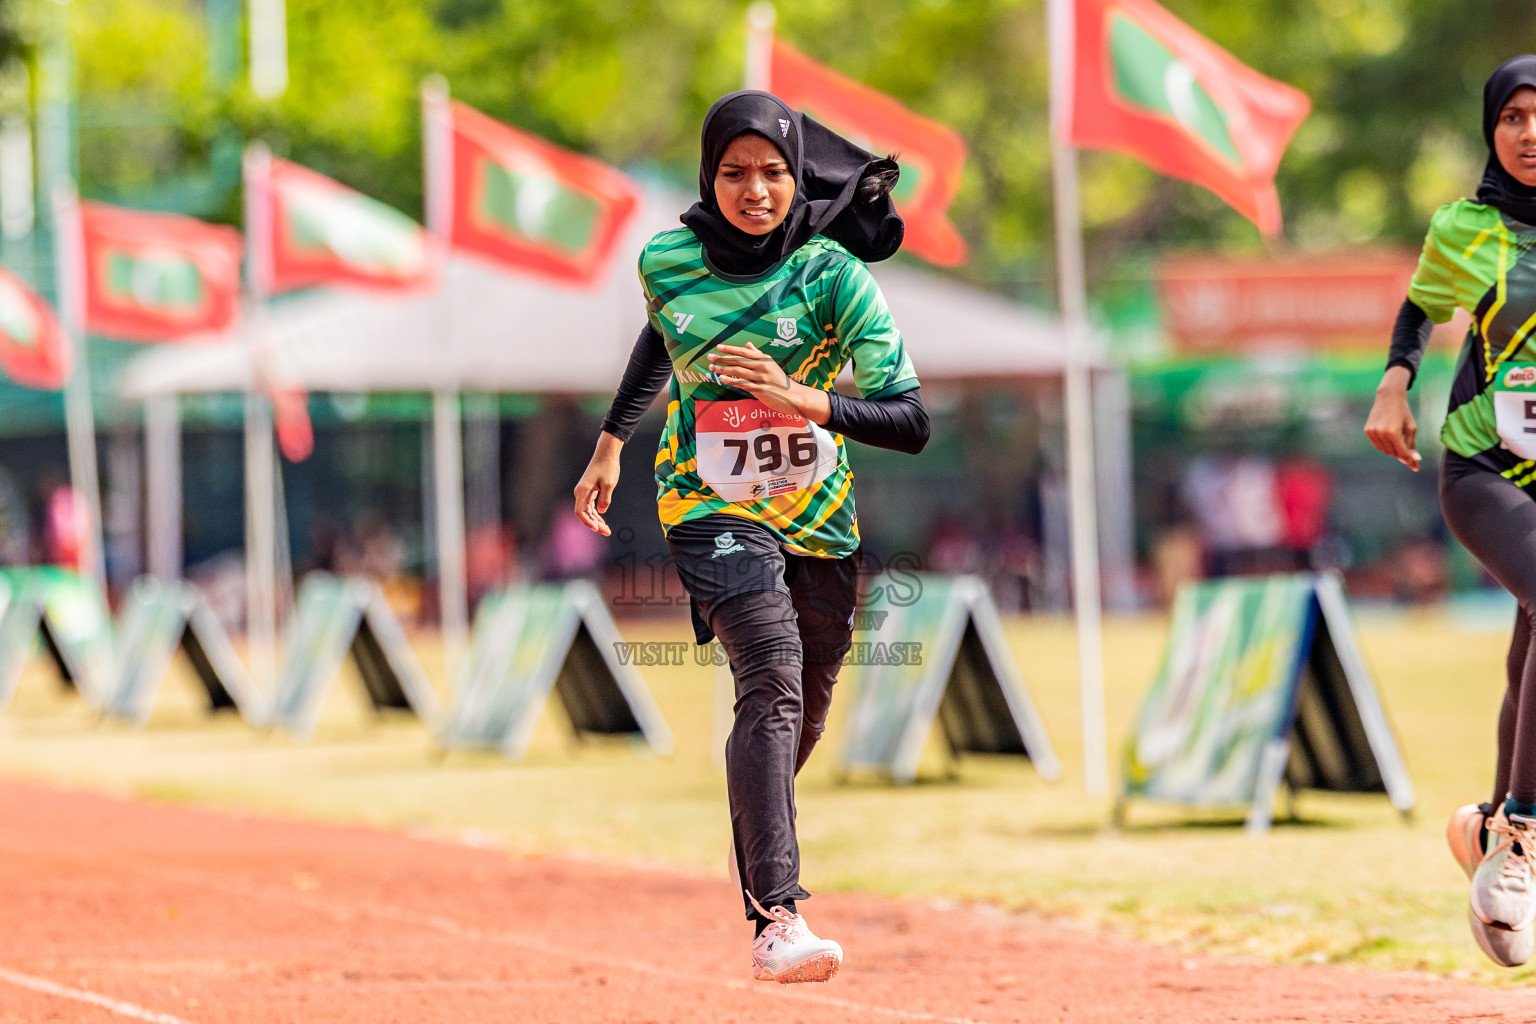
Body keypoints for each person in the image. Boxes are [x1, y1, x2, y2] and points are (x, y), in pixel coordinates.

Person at [573, 90, 929, 984]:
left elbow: (912, 419)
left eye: (772, 171)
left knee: (798, 707)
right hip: (706, 503)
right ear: (709, 176)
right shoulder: (666, 260)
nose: (754, 190)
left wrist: (806, 399)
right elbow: (668, 334)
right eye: (734, 173)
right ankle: (779, 918)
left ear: (795, 174)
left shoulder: (833, 277)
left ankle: (754, 797)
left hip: (819, 517)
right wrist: (615, 440)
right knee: (765, 670)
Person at [1365, 55, 1536, 969]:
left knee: (1530, 650)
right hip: (1485, 470)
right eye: (1513, 115)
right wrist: (1395, 383)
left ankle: (1489, 827)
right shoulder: (1469, 227)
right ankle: (1520, 839)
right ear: (1491, 128)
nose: (1530, 132)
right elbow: (1421, 309)